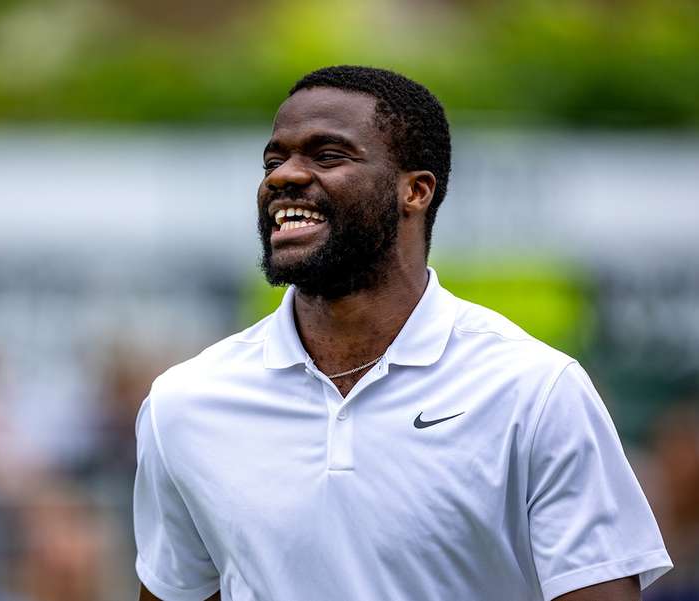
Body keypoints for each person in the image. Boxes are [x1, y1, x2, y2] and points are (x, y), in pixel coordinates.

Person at [132, 65, 672, 601]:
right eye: (274, 159)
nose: (283, 176)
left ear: (414, 191)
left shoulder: (536, 391)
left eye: (327, 155)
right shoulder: (185, 403)